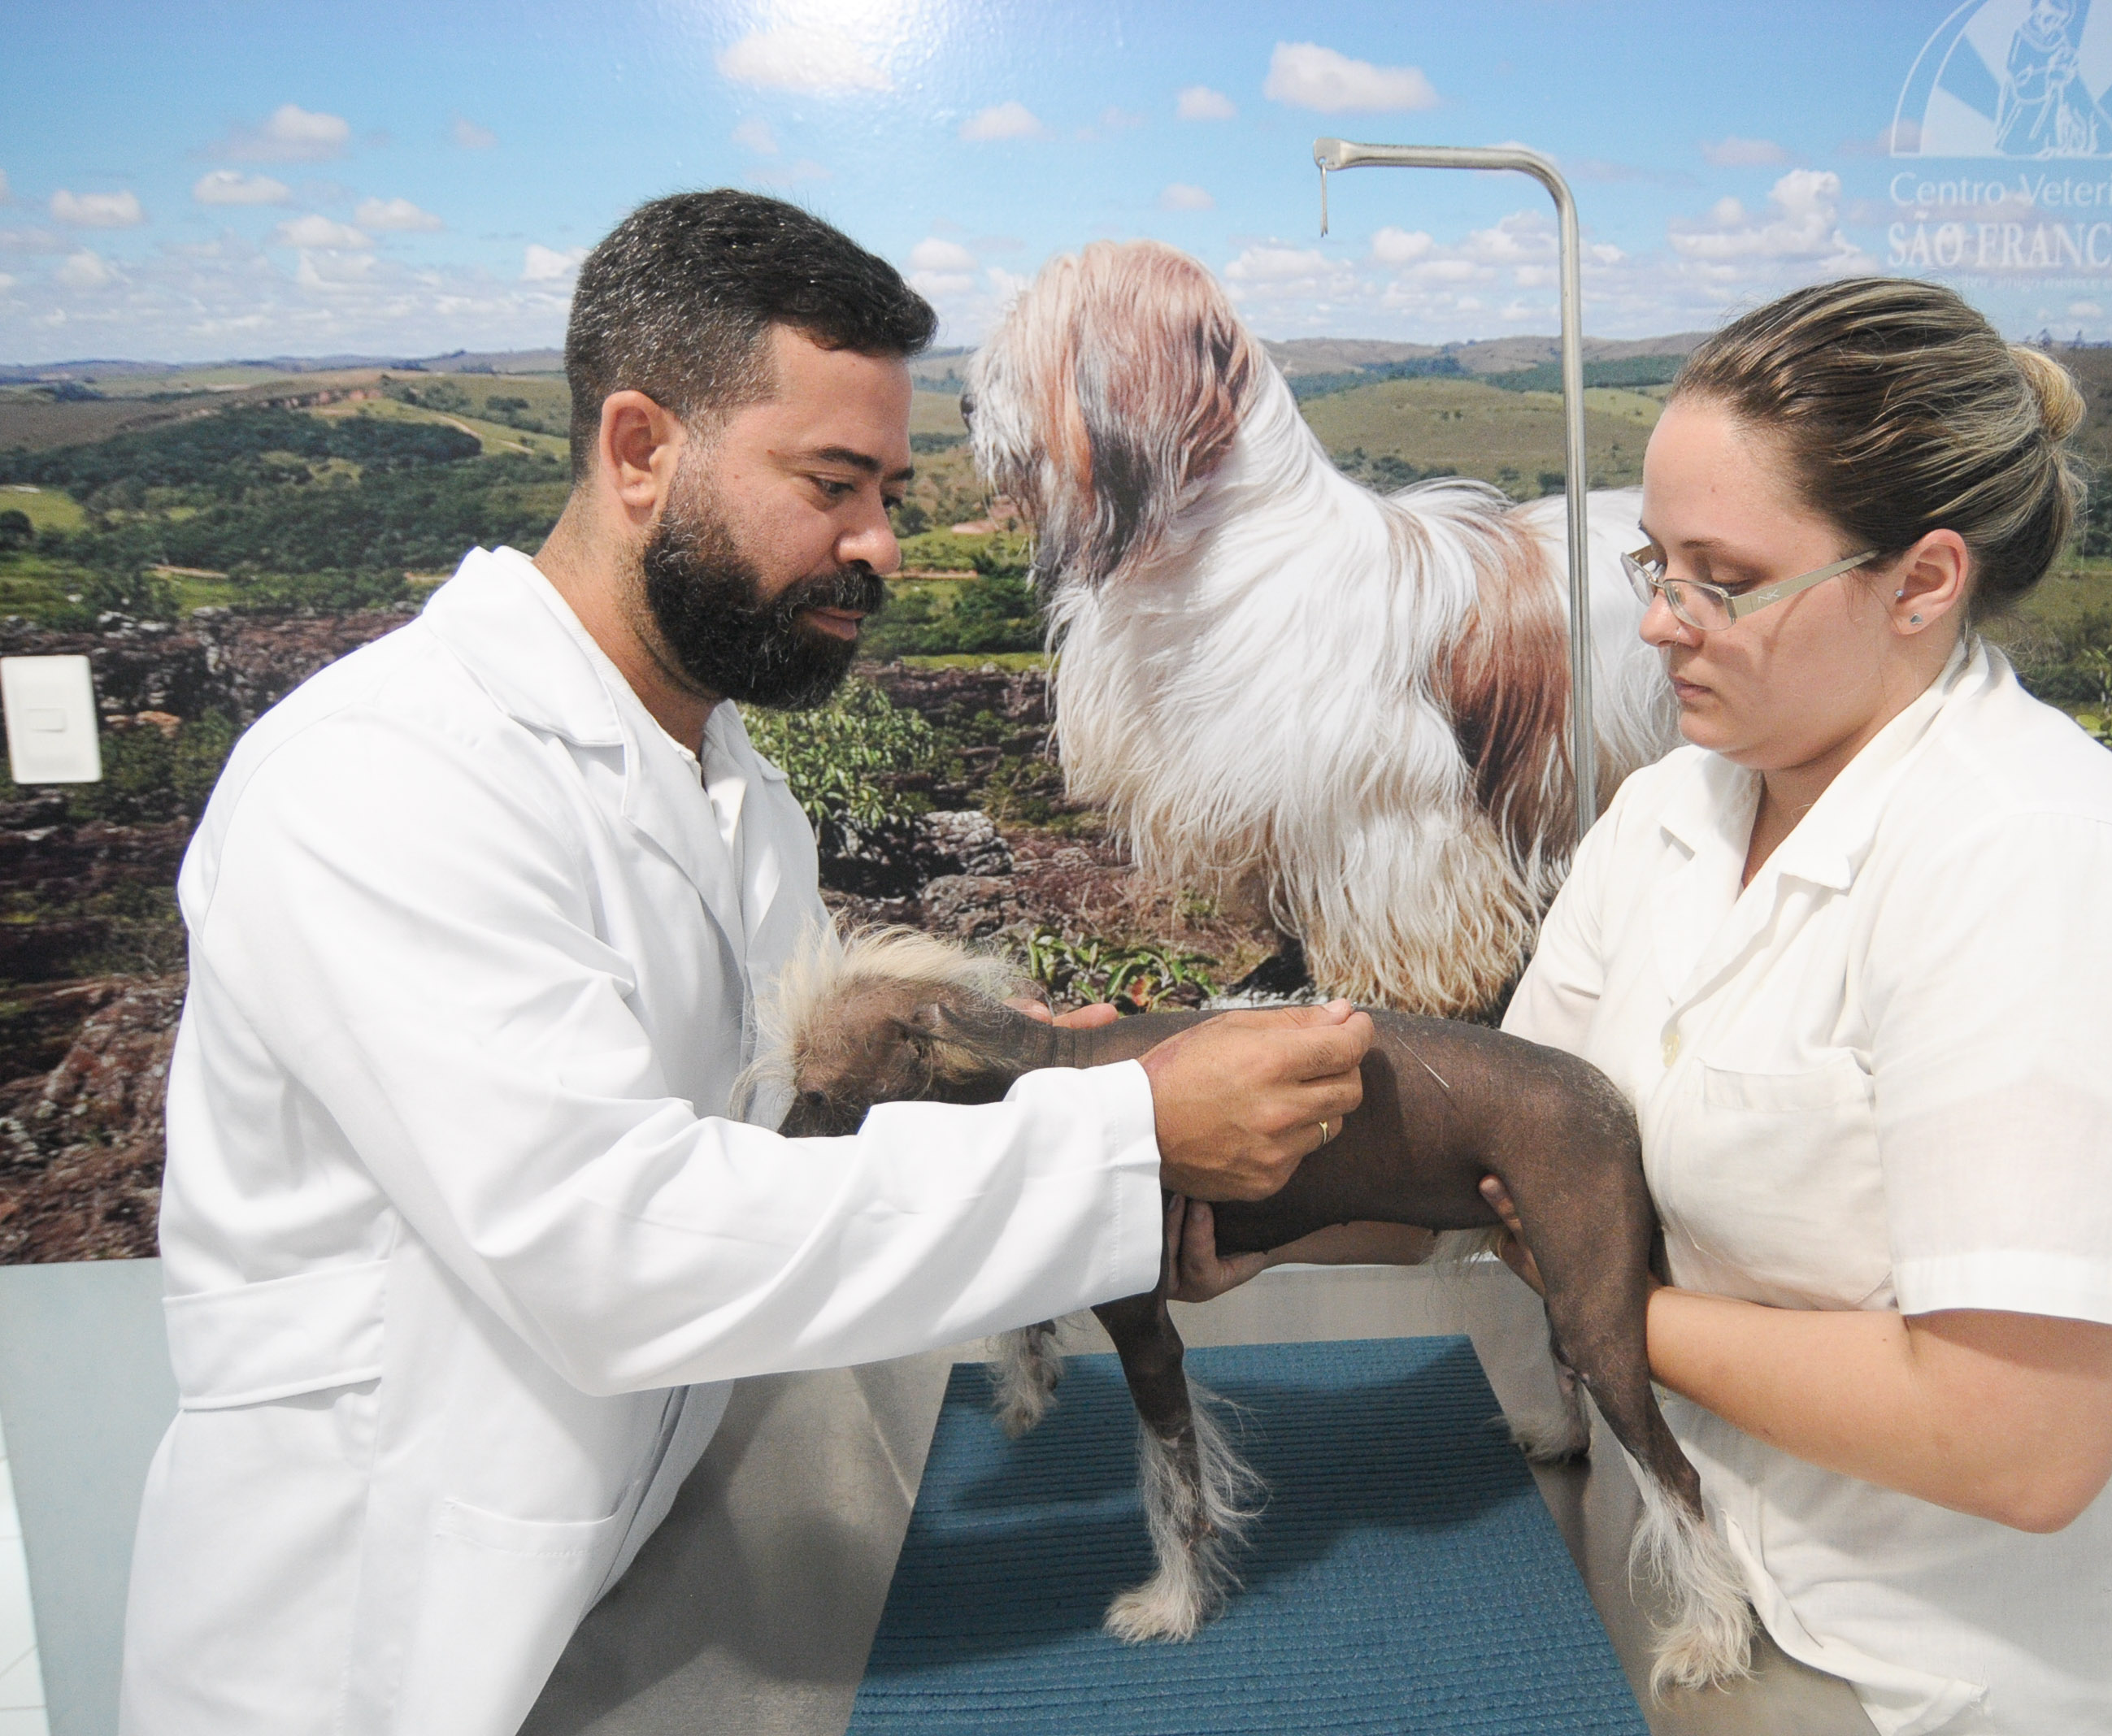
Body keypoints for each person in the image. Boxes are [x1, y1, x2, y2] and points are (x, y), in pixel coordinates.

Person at [119, 189, 1373, 1736]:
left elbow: (806, 1110)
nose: (882, 546)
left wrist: (1043, 1093)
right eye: (833, 484)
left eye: (893, 489)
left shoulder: (730, 790)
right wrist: (1126, 1140)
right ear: (640, 450)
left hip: (628, 1580)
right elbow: (616, 1247)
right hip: (378, 1652)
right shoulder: (386, 779)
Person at [1482, 279, 2112, 1733]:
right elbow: (1521, 1129)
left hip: (1979, 1673)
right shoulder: (1674, 812)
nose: (1664, 625)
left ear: (1921, 582)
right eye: (1652, 565)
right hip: (1722, 1591)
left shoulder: (2043, 871)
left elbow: (2018, 1439)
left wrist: (1605, 1305)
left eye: (1720, 580)